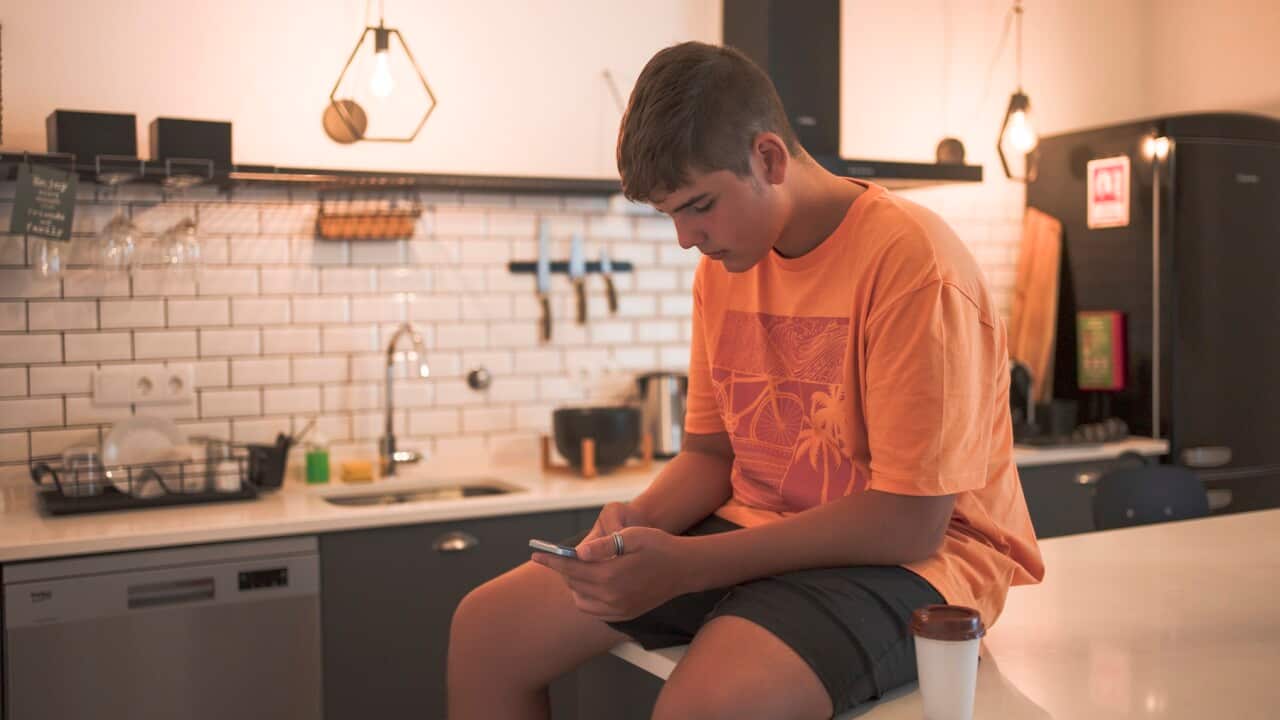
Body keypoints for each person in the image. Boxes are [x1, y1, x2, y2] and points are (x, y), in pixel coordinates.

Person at [447, 40, 1044, 720]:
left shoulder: (913, 263)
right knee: (486, 632)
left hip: (918, 564)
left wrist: (690, 565)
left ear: (769, 159)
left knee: (701, 708)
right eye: (671, 214)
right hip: (759, 530)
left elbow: (910, 523)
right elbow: (711, 455)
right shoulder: (723, 268)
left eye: (698, 205)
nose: (685, 238)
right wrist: (637, 522)